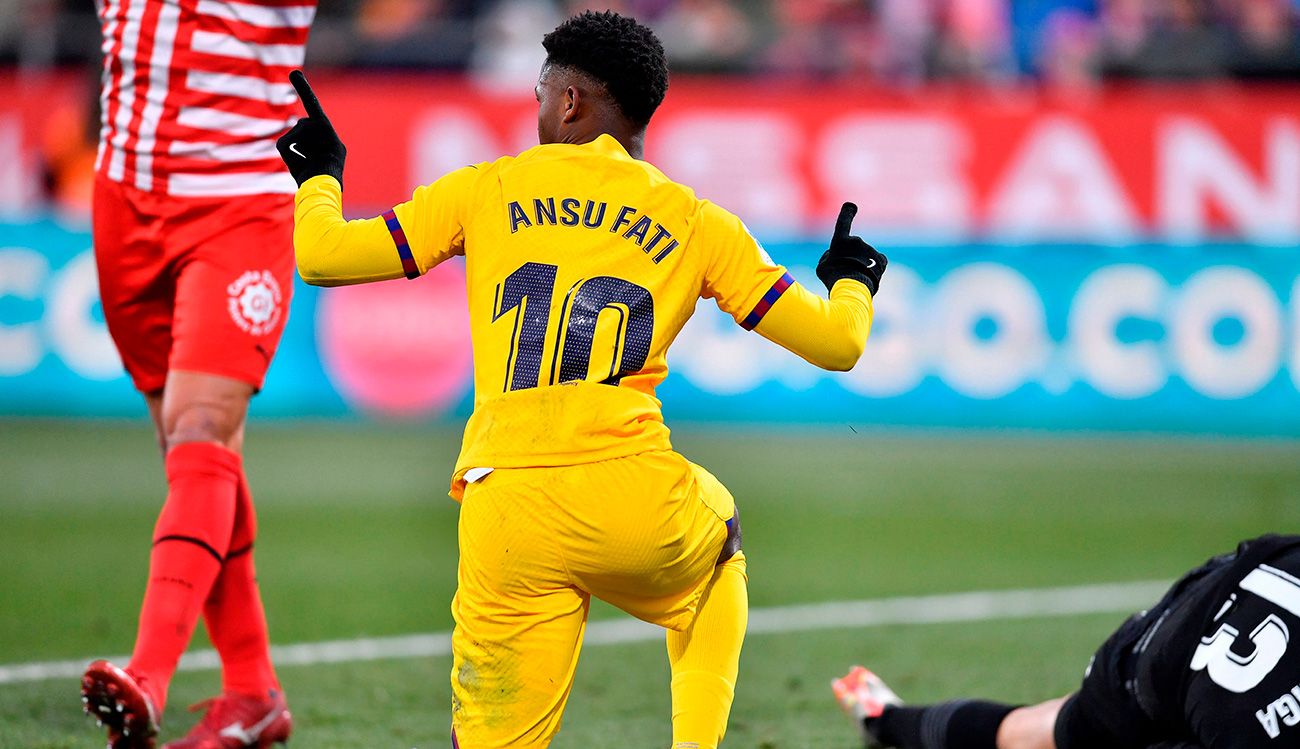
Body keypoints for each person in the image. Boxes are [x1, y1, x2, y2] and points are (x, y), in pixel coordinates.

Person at [278, 10, 886, 748]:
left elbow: (324, 256)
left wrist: (319, 176)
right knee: (718, 549)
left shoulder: (487, 188)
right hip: (629, 495)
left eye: (541, 93)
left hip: (506, 502)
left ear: (570, 102)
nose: (537, 108)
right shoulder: (696, 221)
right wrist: (852, 279)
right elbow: (838, 344)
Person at [80, 1, 317, 747]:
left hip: (237, 201)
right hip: (122, 192)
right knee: (193, 454)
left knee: (201, 424)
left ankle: (147, 677)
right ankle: (252, 690)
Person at [833, 534, 1300, 749]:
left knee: (1039, 731)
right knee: (1049, 734)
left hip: (1238, 594)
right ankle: (886, 721)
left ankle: (885, 719)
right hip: (1203, 641)